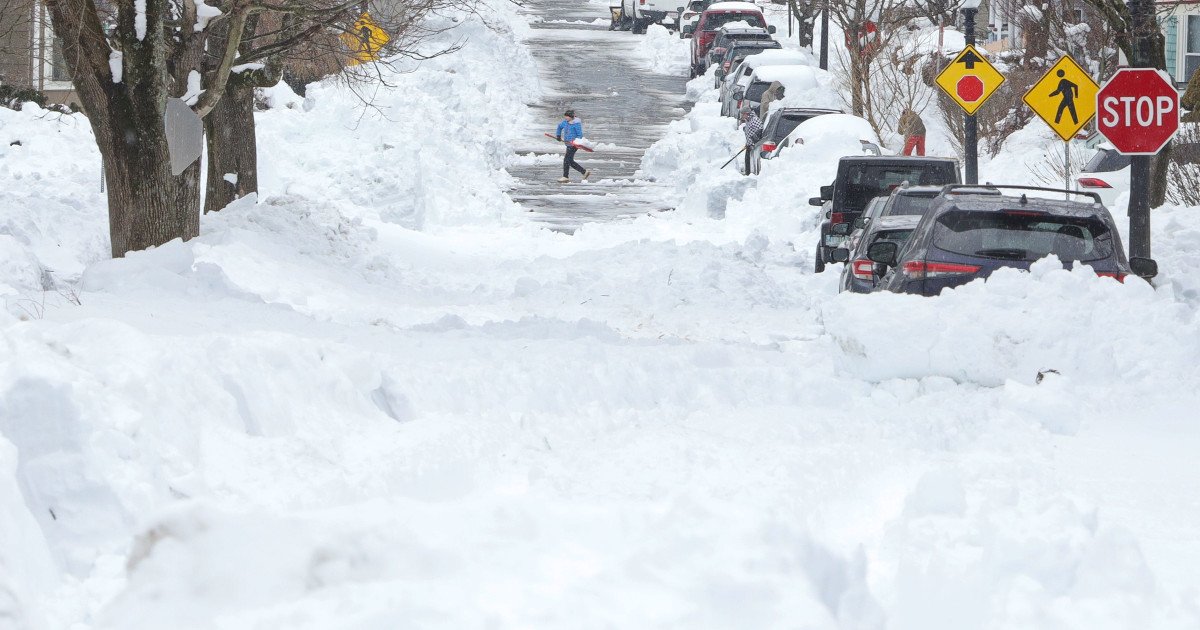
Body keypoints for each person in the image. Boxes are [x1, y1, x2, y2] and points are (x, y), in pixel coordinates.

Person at [554, 109, 592, 183]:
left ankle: (565, 177)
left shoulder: (576, 124)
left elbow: (580, 135)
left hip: (574, 145)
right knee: (569, 161)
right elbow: (559, 126)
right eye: (565, 116)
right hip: (568, 144)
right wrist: (558, 135)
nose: (566, 118)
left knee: (566, 160)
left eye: (567, 116)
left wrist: (576, 142)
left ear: (571, 117)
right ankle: (584, 172)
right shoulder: (565, 122)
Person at [740, 108, 763, 175]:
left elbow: (760, 130)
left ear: (747, 113)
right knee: (747, 160)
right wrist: (747, 143)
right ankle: (748, 173)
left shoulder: (755, 120)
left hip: (754, 145)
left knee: (751, 160)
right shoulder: (748, 120)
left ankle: (750, 173)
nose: (742, 116)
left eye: (743, 114)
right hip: (749, 144)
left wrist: (754, 141)